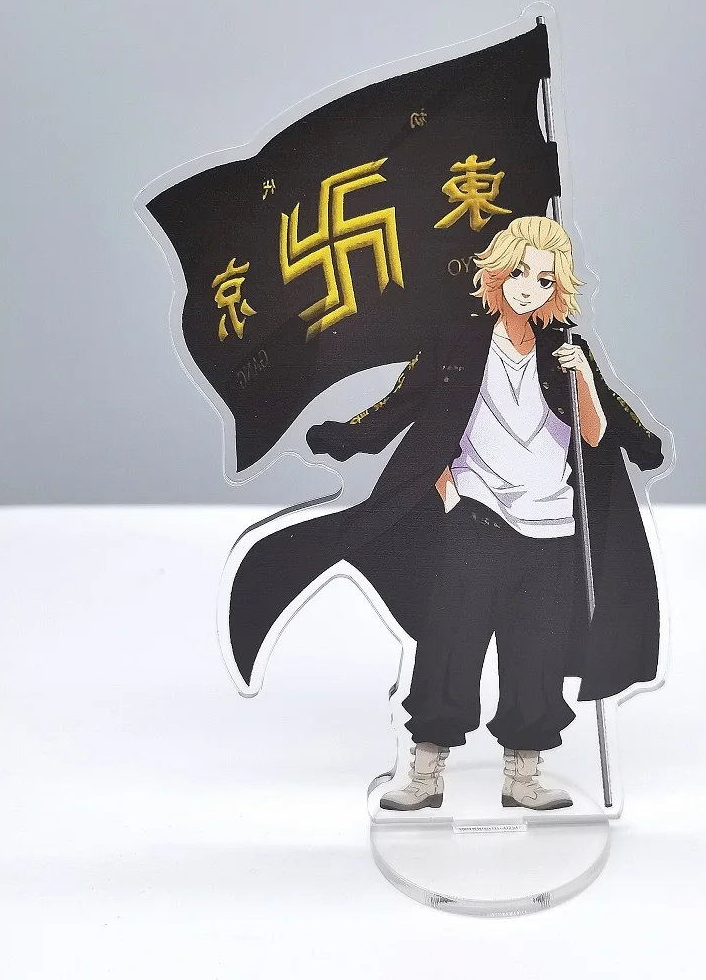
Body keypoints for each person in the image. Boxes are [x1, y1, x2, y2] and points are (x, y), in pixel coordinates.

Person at [225, 216, 665, 812]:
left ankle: (524, 774)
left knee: (535, 655)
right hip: (476, 516)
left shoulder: (566, 351)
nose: (528, 287)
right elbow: (402, 403)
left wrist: (584, 379)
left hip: (553, 528)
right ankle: (426, 772)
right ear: (496, 272)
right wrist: (349, 436)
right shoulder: (459, 342)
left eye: (544, 278)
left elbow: (596, 436)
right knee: (450, 644)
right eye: (518, 271)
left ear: (558, 285)